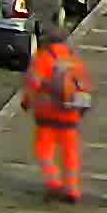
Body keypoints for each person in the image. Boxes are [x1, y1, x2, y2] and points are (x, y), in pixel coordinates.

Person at [26, 27, 93, 203]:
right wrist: (81, 110)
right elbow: (85, 87)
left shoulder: (42, 58)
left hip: (47, 115)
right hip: (70, 116)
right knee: (71, 154)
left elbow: (33, 83)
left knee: (44, 151)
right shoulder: (73, 60)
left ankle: (54, 182)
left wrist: (27, 102)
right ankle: (72, 189)